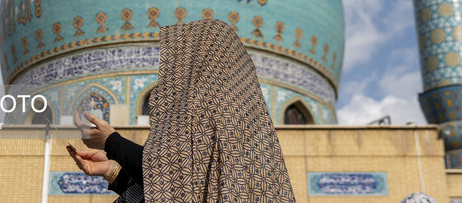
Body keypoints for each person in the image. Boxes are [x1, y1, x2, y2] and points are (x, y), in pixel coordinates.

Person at [67, 18, 295, 202]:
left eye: (186, 59)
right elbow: (181, 186)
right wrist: (113, 170)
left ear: (206, 64)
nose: (176, 70)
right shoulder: (247, 134)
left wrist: (112, 142)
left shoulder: (219, 119)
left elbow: (171, 176)